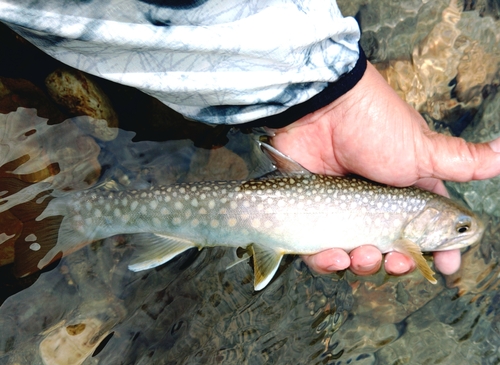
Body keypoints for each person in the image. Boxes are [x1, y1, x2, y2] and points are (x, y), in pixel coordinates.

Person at [1, 0, 499, 280]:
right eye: (458, 227)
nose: (463, 232)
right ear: (422, 224)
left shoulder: (407, 224)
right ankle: (76, 217)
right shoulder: (408, 236)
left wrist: (323, 92)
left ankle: (75, 215)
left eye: (457, 229)